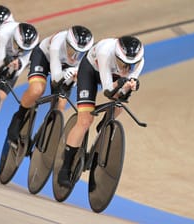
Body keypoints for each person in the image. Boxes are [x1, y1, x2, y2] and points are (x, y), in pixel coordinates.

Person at [57, 35, 145, 188]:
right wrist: (122, 82)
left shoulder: (139, 62)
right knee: (84, 121)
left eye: (130, 65)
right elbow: (108, 91)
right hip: (91, 71)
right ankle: (65, 166)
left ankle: (103, 126)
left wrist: (131, 86)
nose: (126, 67)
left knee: (119, 104)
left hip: (114, 77)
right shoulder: (105, 52)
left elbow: (122, 92)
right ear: (116, 55)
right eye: (122, 62)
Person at [6, 25, 94, 148]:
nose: (73, 56)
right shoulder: (57, 43)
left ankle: (44, 134)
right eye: (71, 50)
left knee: (60, 105)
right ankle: (19, 117)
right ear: (66, 43)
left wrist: (71, 80)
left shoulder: (87, 57)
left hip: (66, 68)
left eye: (79, 54)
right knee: (37, 90)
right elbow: (55, 79)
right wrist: (65, 75)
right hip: (45, 58)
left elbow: (72, 82)